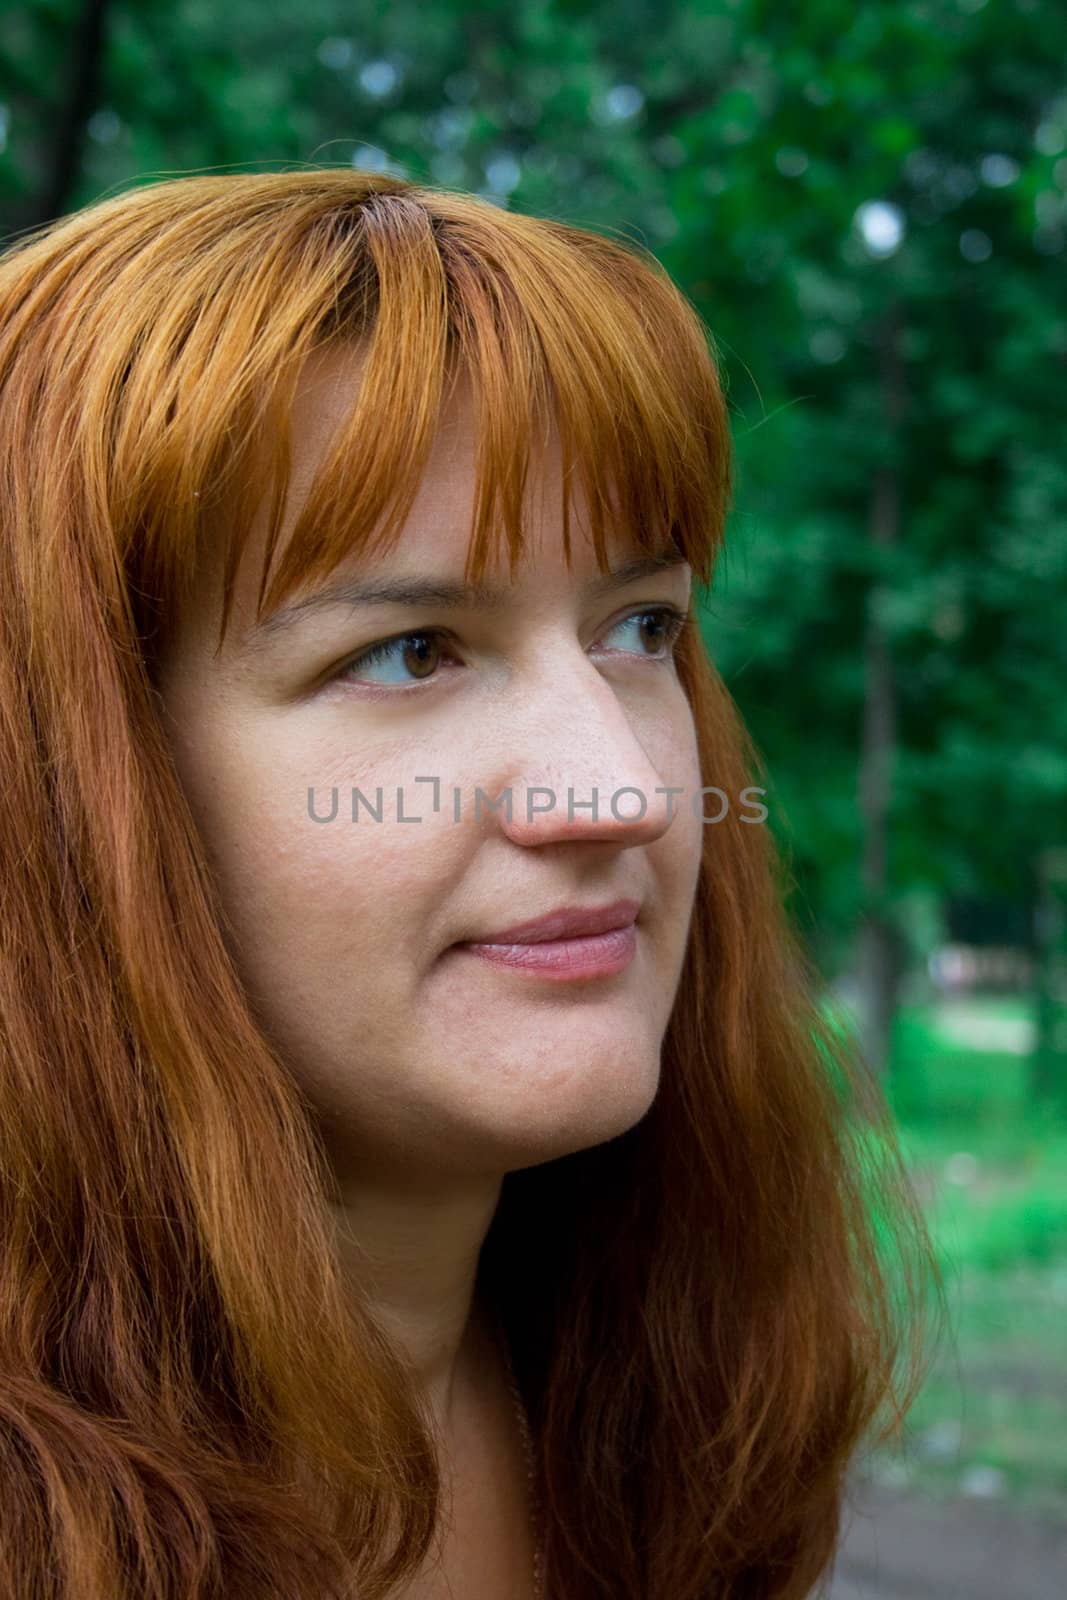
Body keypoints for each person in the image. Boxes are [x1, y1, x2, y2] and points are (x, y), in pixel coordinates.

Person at [0, 169, 945, 1600]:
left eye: (639, 626)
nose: (624, 790)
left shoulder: (664, 1406)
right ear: (76, 790)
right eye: (414, 651)